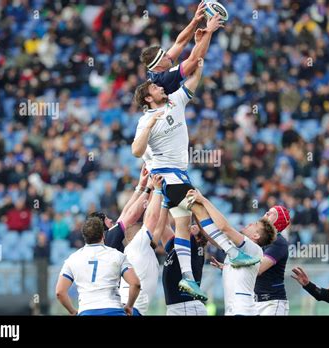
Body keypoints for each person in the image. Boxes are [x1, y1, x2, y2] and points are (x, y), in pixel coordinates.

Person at [133, 59, 259, 301]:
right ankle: (232, 252)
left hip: (179, 174)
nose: (161, 87)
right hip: (167, 175)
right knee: (198, 205)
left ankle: (188, 277)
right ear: (148, 98)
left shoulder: (174, 101)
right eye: (155, 88)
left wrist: (199, 65)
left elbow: (192, 82)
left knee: (182, 224)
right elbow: (137, 151)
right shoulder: (145, 120)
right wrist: (149, 124)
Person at [188, 189, 276, 315]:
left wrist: (203, 200)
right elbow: (212, 238)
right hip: (236, 311)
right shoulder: (240, 250)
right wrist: (196, 213)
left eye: (254, 224)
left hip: (242, 312)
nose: (250, 223)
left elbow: (225, 228)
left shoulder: (253, 248)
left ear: (256, 236)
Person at [55, 217, 140, 316]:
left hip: (86, 310)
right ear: (103, 235)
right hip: (114, 310)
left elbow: (60, 292)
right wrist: (129, 306)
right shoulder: (117, 255)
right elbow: (135, 284)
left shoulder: (72, 259)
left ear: (84, 237)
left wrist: (73, 311)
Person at [140, 2, 223, 94]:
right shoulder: (165, 78)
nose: (168, 55)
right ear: (158, 66)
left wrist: (195, 20)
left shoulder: (156, 69)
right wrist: (209, 31)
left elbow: (180, 43)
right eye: (164, 56)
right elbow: (195, 60)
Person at [118, 175, 164, 315]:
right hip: (130, 308)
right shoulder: (136, 246)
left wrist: (164, 203)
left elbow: (158, 227)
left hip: (132, 308)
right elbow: (151, 218)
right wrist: (156, 190)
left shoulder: (144, 248)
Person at [254, 205, 291, 315]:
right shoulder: (258, 238)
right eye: (267, 211)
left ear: (278, 221)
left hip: (271, 303)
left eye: (271, 213)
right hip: (254, 301)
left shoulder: (278, 242)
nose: (266, 213)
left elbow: (259, 269)